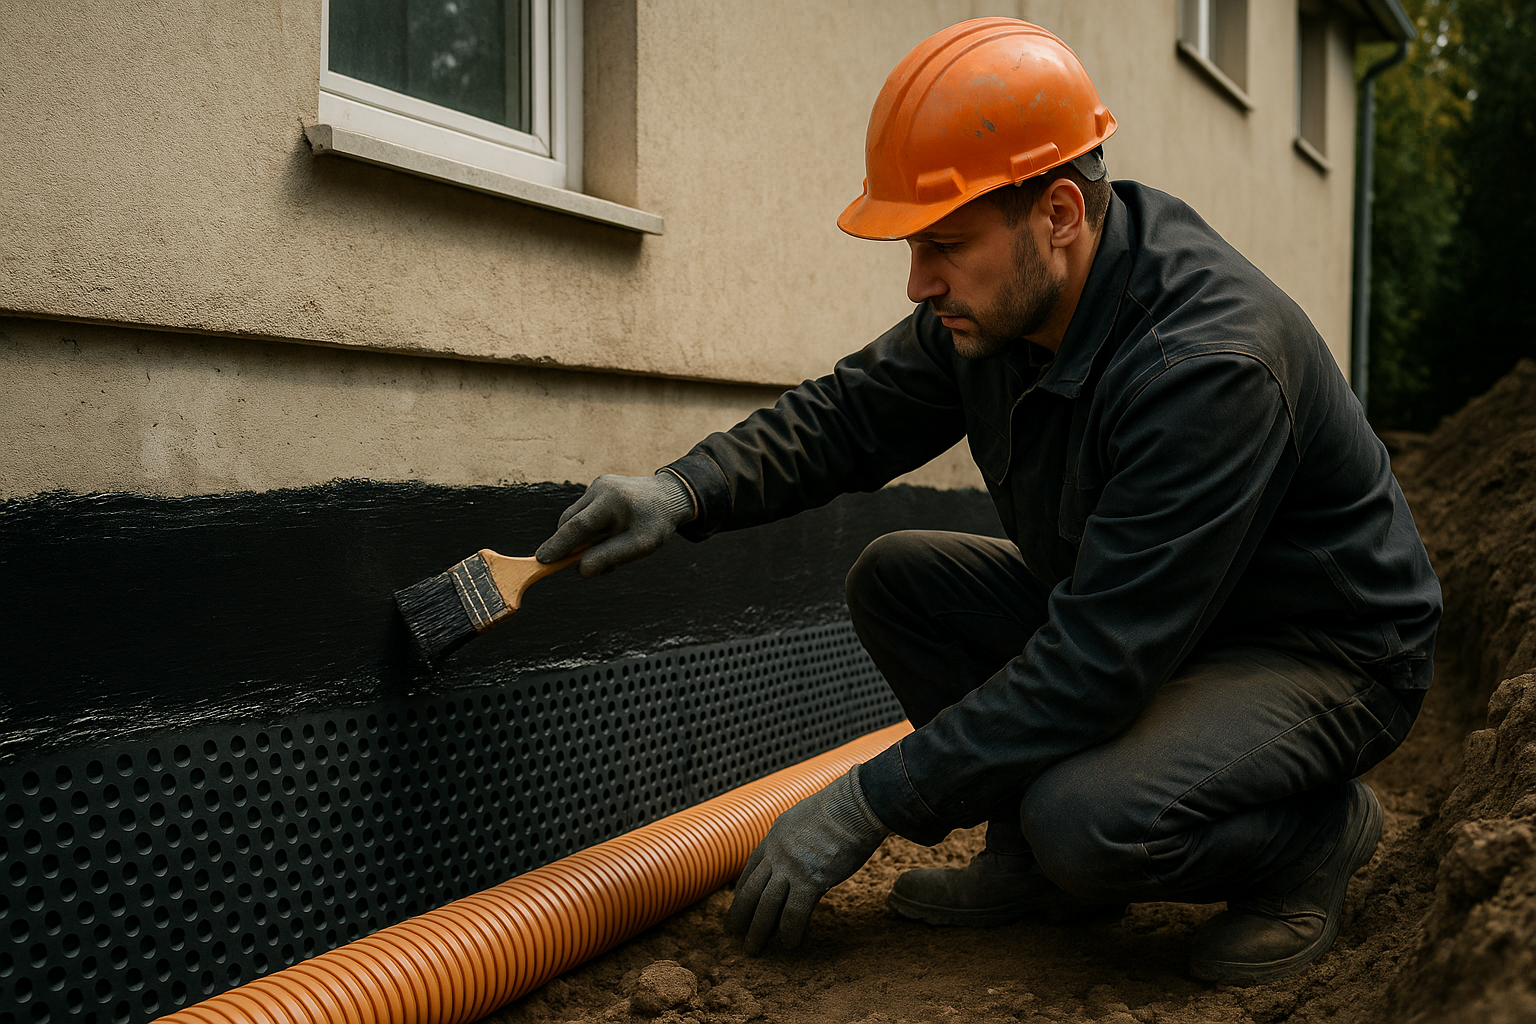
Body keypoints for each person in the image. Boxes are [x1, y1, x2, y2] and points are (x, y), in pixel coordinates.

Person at [535, 18, 1440, 985]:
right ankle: (1029, 867)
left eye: (944, 246)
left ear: (1057, 212)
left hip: (1317, 650)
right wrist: (682, 489)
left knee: (1087, 819)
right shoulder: (1007, 298)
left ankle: (1309, 840)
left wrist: (865, 804)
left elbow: (1096, 664)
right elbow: (848, 417)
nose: (919, 282)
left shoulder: (1210, 368)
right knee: (902, 581)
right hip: (1156, 616)